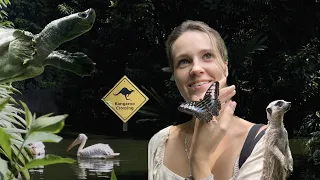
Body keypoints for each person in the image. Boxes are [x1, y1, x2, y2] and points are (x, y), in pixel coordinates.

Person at [148, 20, 269, 180]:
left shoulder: (265, 142)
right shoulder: (159, 142)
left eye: (207, 56)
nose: (196, 69)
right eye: (183, 61)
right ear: (175, 76)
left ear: (225, 67)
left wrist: (199, 160)